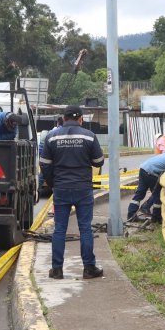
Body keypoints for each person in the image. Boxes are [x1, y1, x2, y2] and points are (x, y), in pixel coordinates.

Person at [39, 105, 105, 280]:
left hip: (61, 188)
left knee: (59, 229)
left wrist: (53, 183)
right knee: (85, 228)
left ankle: (57, 270)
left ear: (63, 118)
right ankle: (89, 268)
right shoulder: (89, 136)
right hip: (83, 188)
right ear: (81, 119)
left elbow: (44, 163)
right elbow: (99, 161)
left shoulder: (52, 136)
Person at [127, 152, 165, 223]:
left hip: (143, 169)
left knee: (139, 193)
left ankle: (131, 215)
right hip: (151, 173)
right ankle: (156, 218)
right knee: (158, 196)